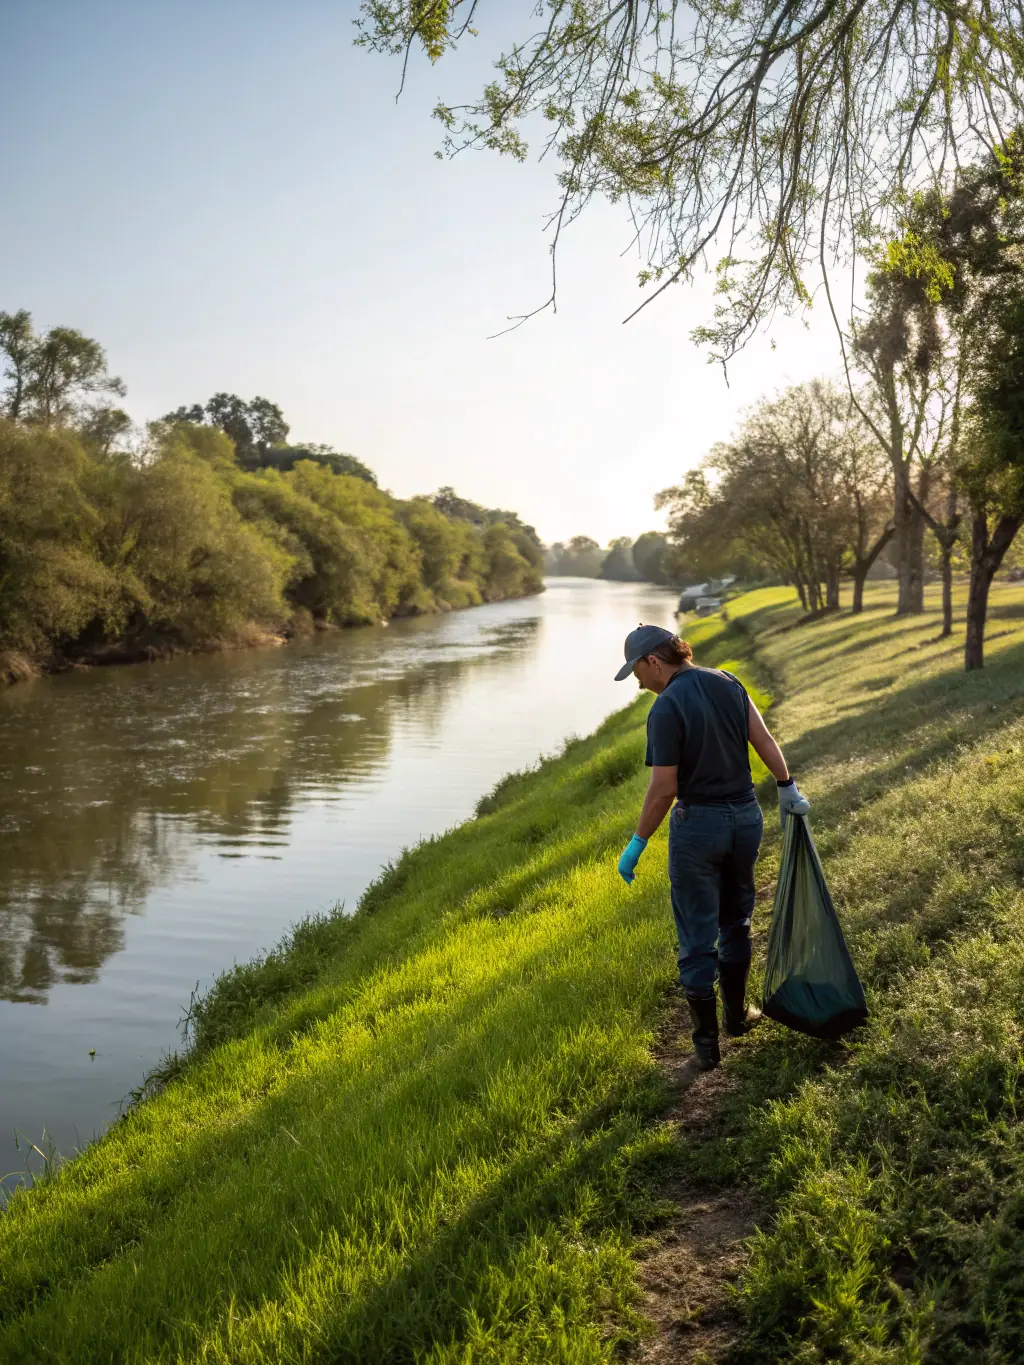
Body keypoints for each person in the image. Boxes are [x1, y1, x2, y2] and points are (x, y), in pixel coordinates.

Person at [613, 623, 809, 1071]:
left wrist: (637, 842)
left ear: (655, 662)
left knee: (696, 935)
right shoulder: (729, 681)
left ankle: (706, 1048)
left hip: (698, 826)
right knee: (736, 920)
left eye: (638, 673)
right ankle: (737, 1018)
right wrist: (787, 788)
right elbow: (762, 739)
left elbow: (664, 789)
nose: (640, 684)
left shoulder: (666, 708)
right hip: (745, 818)